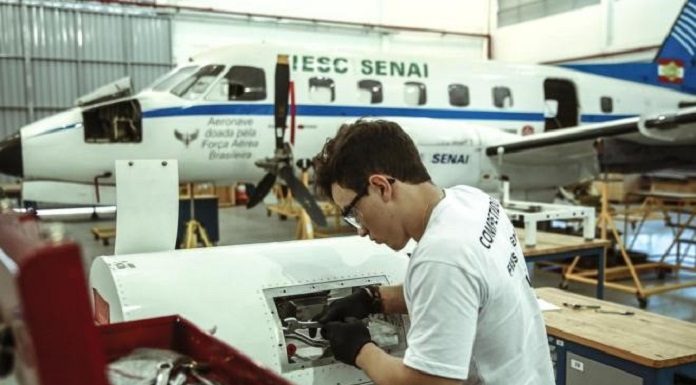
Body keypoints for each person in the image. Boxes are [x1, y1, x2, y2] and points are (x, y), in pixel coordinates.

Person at [312, 119, 555, 385]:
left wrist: (361, 351)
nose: (360, 230)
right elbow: (462, 294)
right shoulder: (474, 201)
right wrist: (374, 299)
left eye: (354, 213)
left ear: (382, 187)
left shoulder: (441, 256)